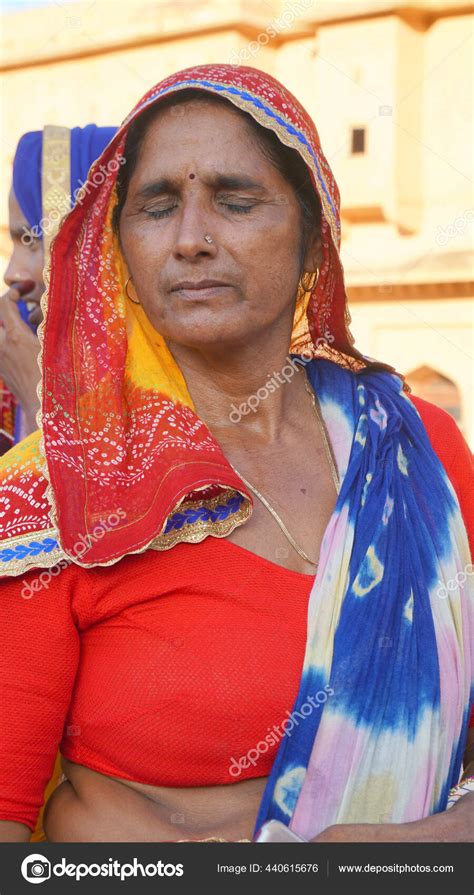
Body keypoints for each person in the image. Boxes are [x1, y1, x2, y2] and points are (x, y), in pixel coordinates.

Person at [0, 64, 472, 844]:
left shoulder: (420, 451)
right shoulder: (55, 493)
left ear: (313, 231)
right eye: (156, 207)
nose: (191, 239)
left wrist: (422, 844)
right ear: (119, 246)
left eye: (235, 199)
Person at [0, 124, 117, 452]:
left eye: (34, 241)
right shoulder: (12, 353)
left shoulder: (172, 382)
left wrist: (37, 393)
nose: (12, 273)